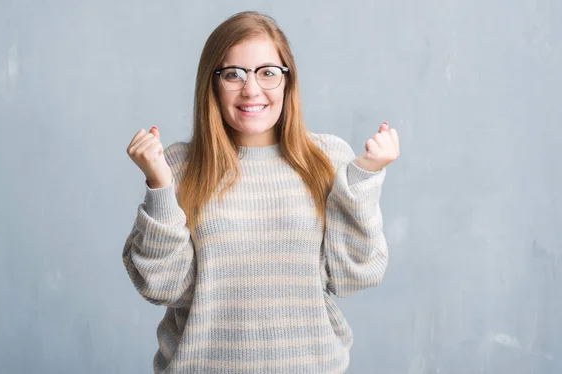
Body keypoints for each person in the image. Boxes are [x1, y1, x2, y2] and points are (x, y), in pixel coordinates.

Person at [123, 10, 400, 374]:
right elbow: (162, 287)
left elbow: (355, 274)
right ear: (212, 83)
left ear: (288, 80)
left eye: (268, 72)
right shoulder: (177, 166)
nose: (251, 89)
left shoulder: (327, 159)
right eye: (233, 74)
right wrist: (159, 186)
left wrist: (364, 176)